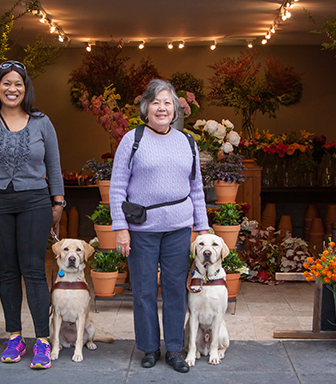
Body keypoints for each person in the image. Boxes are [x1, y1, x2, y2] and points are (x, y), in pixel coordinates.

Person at [0, 60, 65, 370]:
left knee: (33, 269)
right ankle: (14, 337)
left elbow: (53, 166)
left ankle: (43, 342)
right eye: (6, 83)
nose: (12, 89)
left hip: (34, 202)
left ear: (26, 89)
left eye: (18, 83)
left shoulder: (41, 122)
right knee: (7, 271)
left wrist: (57, 204)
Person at [109, 79, 209, 373]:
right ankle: (150, 347)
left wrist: (202, 228)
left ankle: (175, 349)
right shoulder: (132, 139)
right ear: (146, 108)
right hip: (142, 230)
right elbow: (117, 187)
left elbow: (197, 189)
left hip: (179, 228)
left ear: (176, 109)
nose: (162, 108)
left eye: (167, 102)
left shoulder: (187, 142)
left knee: (176, 289)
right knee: (143, 290)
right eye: (156, 102)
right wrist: (121, 227)